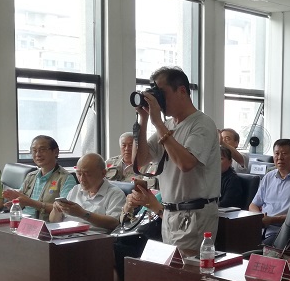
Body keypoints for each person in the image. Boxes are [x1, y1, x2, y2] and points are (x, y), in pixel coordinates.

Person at [132, 66, 221, 255]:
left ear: (182, 91)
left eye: (161, 93)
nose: (158, 100)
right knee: (170, 270)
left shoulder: (202, 123)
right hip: (169, 213)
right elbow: (139, 161)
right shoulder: (168, 126)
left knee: (185, 270)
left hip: (194, 214)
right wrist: (143, 120)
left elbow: (186, 164)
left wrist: (158, 123)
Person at [249, 138, 290, 244]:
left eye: (284, 154)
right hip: (260, 228)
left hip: (285, 231)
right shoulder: (269, 177)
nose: (280, 157)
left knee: (257, 247)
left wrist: (272, 220)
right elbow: (253, 205)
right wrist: (259, 218)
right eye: (277, 153)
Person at [2, 135, 76, 222]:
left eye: (42, 150)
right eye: (34, 151)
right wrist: (16, 203)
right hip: (23, 221)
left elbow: (65, 209)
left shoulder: (66, 178)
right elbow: (22, 199)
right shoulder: (31, 176)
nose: (38, 154)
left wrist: (30, 202)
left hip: (47, 225)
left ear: (55, 152)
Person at [49, 153, 125, 233]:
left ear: (103, 173)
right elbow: (53, 221)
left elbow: (114, 223)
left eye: (87, 174)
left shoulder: (115, 194)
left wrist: (82, 214)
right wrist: (56, 210)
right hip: (66, 233)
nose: (82, 179)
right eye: (79, 174)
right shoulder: (76, 189)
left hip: (93, 236)